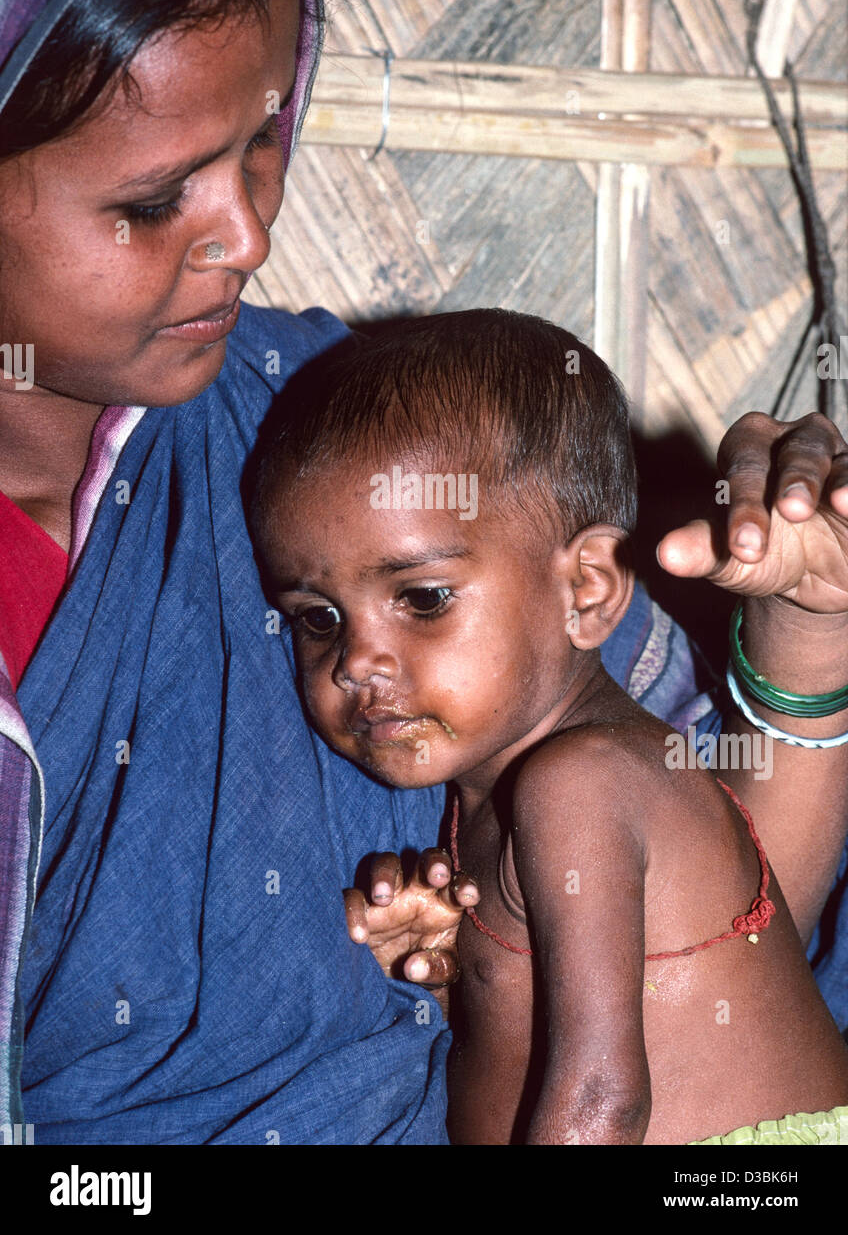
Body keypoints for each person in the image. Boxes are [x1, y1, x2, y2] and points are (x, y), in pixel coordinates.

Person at [0, 0, 846, 1145]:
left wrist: (806, 635)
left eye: (263, 144)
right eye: (157, 197)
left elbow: (726, 931)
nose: (247, 233)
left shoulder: (339, 433)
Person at [250, 311, 848, 1145]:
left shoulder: (585, 782)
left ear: (591, 591)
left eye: (423, 598)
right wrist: (459, 979)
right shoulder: (500, 796)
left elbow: (603, 1102)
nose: (356, 662)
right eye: (317, 618)